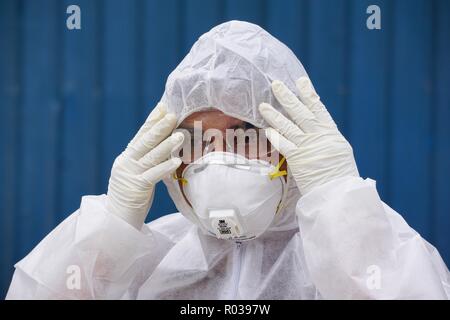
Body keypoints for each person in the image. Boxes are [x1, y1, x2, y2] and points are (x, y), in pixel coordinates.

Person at [6, 20, 449, 300]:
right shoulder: (145, 264)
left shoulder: (362, 249)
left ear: (295, 142)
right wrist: (108, 233)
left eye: (245, 136)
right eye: (198, 140)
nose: (219, 158)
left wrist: (340, 206)